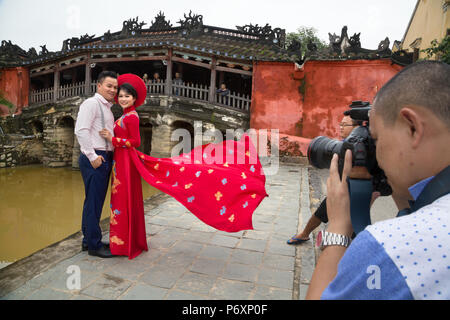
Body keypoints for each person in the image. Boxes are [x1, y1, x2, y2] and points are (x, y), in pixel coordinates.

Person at [306, 61, 450, 300]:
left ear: (412, 127)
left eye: (376, 139)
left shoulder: (390, 247)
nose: (377, 154)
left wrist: (339, 228)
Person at [100, 74, 268, 259]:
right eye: (121, 96)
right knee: (122, 198)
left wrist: (112, 139)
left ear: (134, 98)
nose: (123, 99)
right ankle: (124, 242)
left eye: (127, 96)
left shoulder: (131, 117)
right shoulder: (125, 114)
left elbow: (136, 141)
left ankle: (124, 244)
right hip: (122, 160)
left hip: (126, 160)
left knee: (123, 198)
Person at [287, 115, 374, 245]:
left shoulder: (365, 150)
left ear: (358, 128)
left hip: (356, 192)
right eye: (341, 124)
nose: (341, 128)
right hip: (340, 190)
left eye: (345, 125)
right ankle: (305, 234)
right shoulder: (343, 146)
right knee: (322, 212)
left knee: (354, 225)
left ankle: (348, 248)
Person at [75, 71, 118, 258]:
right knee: (93, 203)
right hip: (96, 157)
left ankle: (89, 240)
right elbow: (81, 130)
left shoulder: (107, 107)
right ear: (99, 85)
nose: (113, 90)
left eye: (115, 87)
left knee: (94, 202)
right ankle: (94, 245)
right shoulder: (91, 104)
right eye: (109, 86)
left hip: (104, 156)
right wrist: (92, 156)